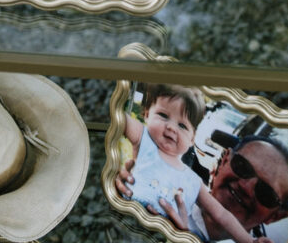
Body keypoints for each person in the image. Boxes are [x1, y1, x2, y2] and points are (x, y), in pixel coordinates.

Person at [115, 85, 277, 243]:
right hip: (122, 219)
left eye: (182, 125)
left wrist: (248, 240)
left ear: (192, 139)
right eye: (163, 115)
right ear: (146, 115)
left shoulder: (193, 181)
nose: (171, 127)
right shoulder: (145, 141)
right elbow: (117, 116)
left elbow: (221, 215)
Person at [117, 122, 288, 242]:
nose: (245, 187)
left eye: (266, 193)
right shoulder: (183, 187)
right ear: (223, 161)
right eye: (242, 166)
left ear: (276, 216)